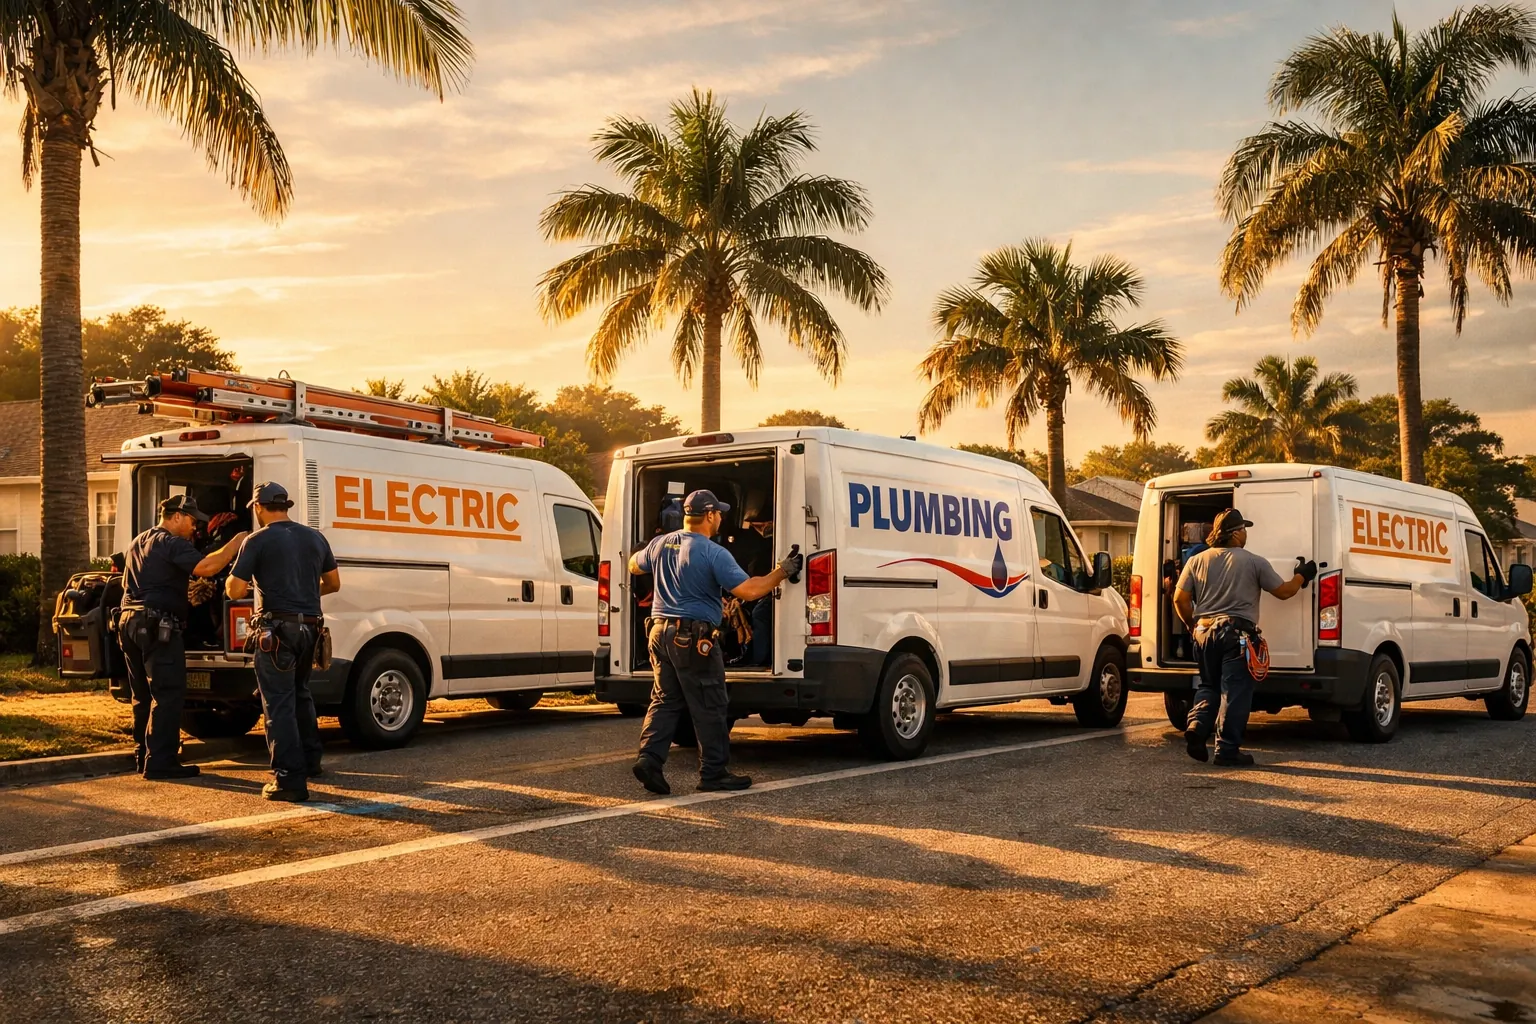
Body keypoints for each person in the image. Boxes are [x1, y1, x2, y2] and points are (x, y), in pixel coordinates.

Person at [628, 489, 802, 795]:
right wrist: (782, 572)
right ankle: (713, 773)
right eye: (719, 513)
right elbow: (748, 591)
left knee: (665, 699)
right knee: (710, 704)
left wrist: (647, 549)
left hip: (658, 633)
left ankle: (649, 760)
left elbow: (633, 565)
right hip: (692, 637)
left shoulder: (661, 544)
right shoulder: (713, 552)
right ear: (709, 515)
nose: (721, 517)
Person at [226, 482, 341, 802]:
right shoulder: (316, 537)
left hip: (275, 632)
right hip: (310, 630)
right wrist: (303, 594)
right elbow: (333, 583)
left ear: (258, 507)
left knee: (277, 703)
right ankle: (310, 761)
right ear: (285, 506)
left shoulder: (256, 540)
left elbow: (234, 590)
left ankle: (289, 780)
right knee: (301, 694)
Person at [1174, 508, 1316, 767]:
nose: (1246, 533)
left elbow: (1180, 599)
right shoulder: (1253, 561)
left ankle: (1196, 725)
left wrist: (1192, 625)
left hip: (1204, 632)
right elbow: (1284, 592)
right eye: (1244, 528)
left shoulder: (1196, 561)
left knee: (1208, 685)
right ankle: (1227, 751)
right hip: (1235, 635)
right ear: (1236, 533)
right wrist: (1302, 575)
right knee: (1234, 692)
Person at [119, 495, 248, 780]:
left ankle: (143, 755)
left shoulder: (138, 542)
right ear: (176, 516)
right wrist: (236, 544)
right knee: (167, 695)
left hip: (129, 624)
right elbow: (207, 567)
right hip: (156, 626)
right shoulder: (170, 542)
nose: (195, 528)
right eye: (191, 520)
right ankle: (161, 762)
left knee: (143, 695)